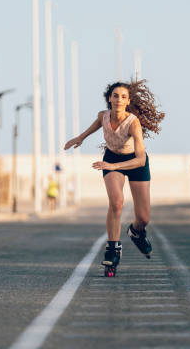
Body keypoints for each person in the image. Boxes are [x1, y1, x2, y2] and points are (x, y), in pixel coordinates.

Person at [64, 79, 164, 276]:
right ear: (109, 98)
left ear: (128, 101)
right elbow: (97, 125)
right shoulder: (104, 116)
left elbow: (141, 159)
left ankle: (136, 232)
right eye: (115, 96)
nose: (119, 99)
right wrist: (80, 137)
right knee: (116, 202)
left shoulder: (133, 123)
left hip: (135, 163)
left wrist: (114, 166)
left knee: (143, 217)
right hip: (111, 159)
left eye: (123, 97)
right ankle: (113, 249)